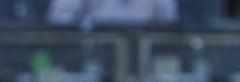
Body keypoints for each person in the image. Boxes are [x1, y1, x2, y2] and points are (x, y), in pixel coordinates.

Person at [45, 0, 177, 28]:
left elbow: (170, 22)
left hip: (143, 60)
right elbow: (58, 17)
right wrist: (84, 24)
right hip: (97, 53)